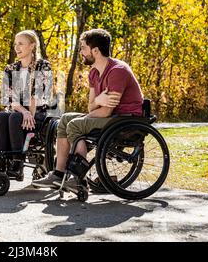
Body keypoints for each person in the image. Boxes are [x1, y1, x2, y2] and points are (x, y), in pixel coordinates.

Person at [32, 28, 143, 189]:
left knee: (75, 124)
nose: (81, 52)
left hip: (124, 119)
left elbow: (105, 111)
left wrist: (94, 108)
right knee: (65, 119)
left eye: (83, 48)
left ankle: (78, 179)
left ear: (96, 50)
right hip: (109, 116)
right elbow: (91, 106)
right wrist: (99, 99)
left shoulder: (117, 71)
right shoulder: (94, 73)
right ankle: (58, 174)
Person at [0, 30, 53, 180]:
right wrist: (23, 112)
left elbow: (37, 95)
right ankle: (1, 161)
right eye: (15, 44)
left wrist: (29, 114)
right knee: (1, 116)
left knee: (15, 117)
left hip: (38, 114)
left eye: (21, 44)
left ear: (32, 46)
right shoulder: (11, 69)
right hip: (18, 111)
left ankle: (17, 163)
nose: (17, 47)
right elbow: (10, 97)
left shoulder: (43, 66)